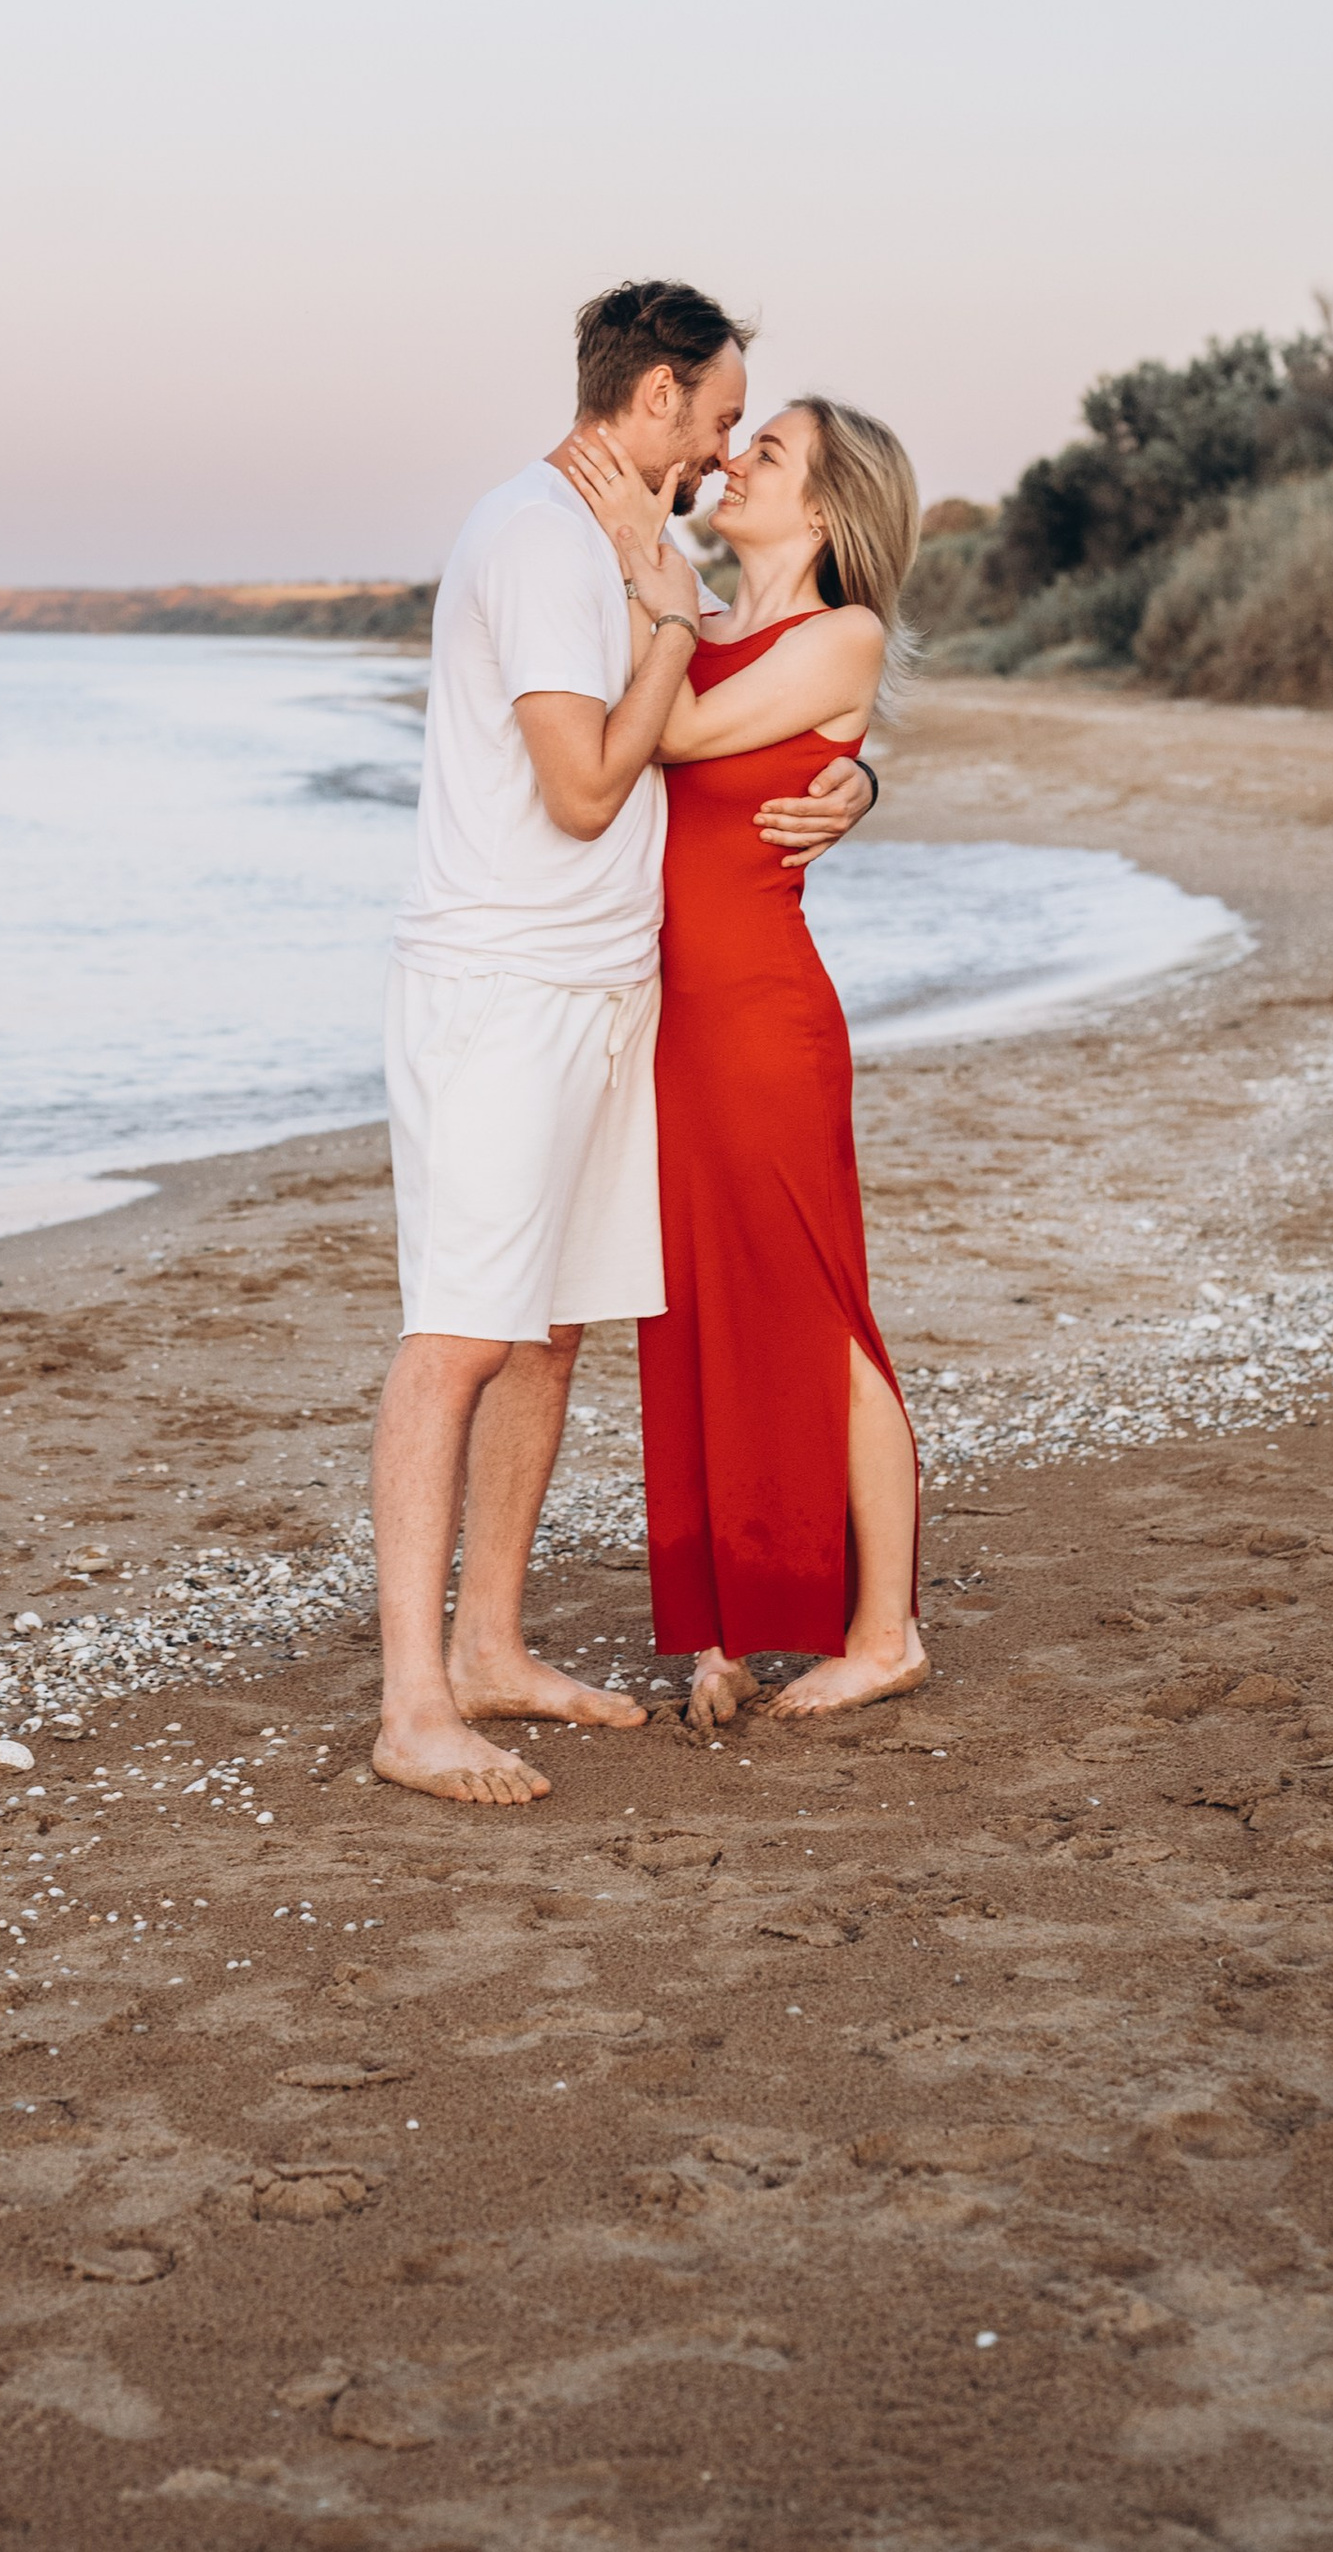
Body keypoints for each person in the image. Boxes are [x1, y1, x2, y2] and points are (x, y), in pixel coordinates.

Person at [371, 286, 881, 1805]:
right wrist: (663, 612)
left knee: (548, 1325)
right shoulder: (543, 540)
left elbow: (777, 686)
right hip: (504, 988)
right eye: (724, 415)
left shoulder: (622, 549)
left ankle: (493, 1648)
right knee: (461, 1329)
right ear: (657, 396)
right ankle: (414, 1705)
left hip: (609, 993)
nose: (728, 452)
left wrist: (861, 780)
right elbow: (591, 786)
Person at [567, 395, 927, 1724]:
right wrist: (661, 594)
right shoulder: (704, 624)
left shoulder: (846, 633)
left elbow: (669, 736)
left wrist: (641, 566)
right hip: (677, 1024)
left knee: (817, 1312)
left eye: (764, 451)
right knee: (697, 1310)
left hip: (767, 1022)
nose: (733, 460)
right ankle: (724, 1627)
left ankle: (884, 1630)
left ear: (826, 509)